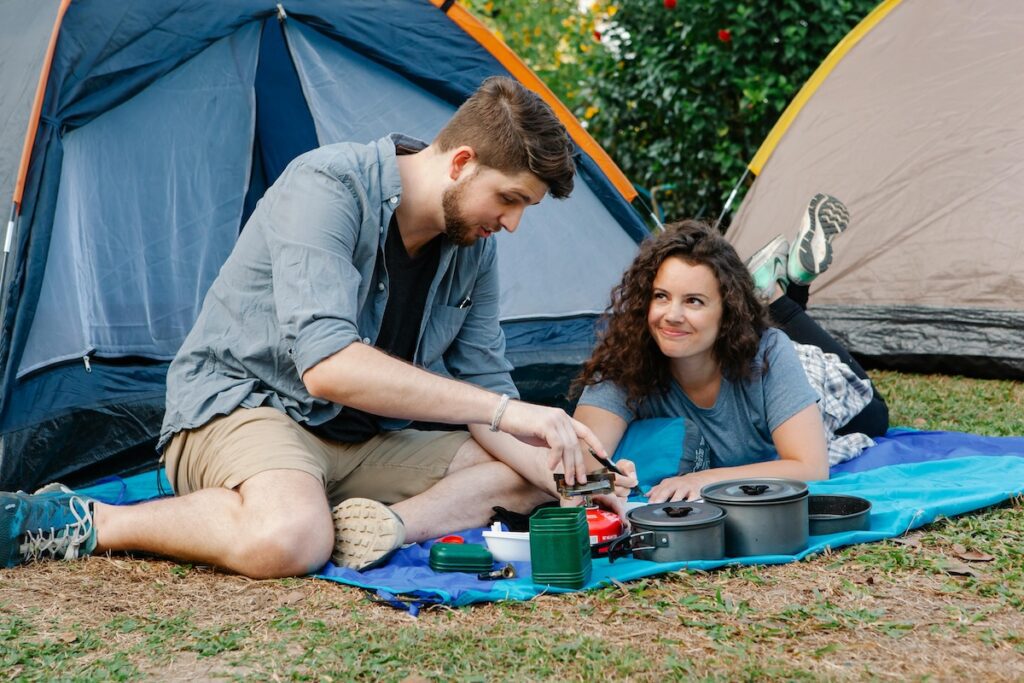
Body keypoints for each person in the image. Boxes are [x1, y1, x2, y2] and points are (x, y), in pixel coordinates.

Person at [0, 76, 634, 577]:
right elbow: (329, 365)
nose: (513, 223)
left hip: (364, 444)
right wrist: (507, 412)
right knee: (291, 540)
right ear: (462, 161)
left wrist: (579, 470)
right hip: (244, 409)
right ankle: (91, 519)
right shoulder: (327, 186)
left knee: (530, 479)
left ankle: (384, 526)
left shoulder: (474, 246)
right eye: (511, 200)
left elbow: (485, 381)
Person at [574, 202, 886, 503]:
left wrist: (704, 479)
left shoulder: (768, 353)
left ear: (727, 312)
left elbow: (811, 467)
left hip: (811, 376)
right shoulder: (626, 358)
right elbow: (581, 463)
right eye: (661, 296)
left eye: (694, 301)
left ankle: (775, 295)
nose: (672, 314)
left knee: (874, 414)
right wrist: (608, 483)